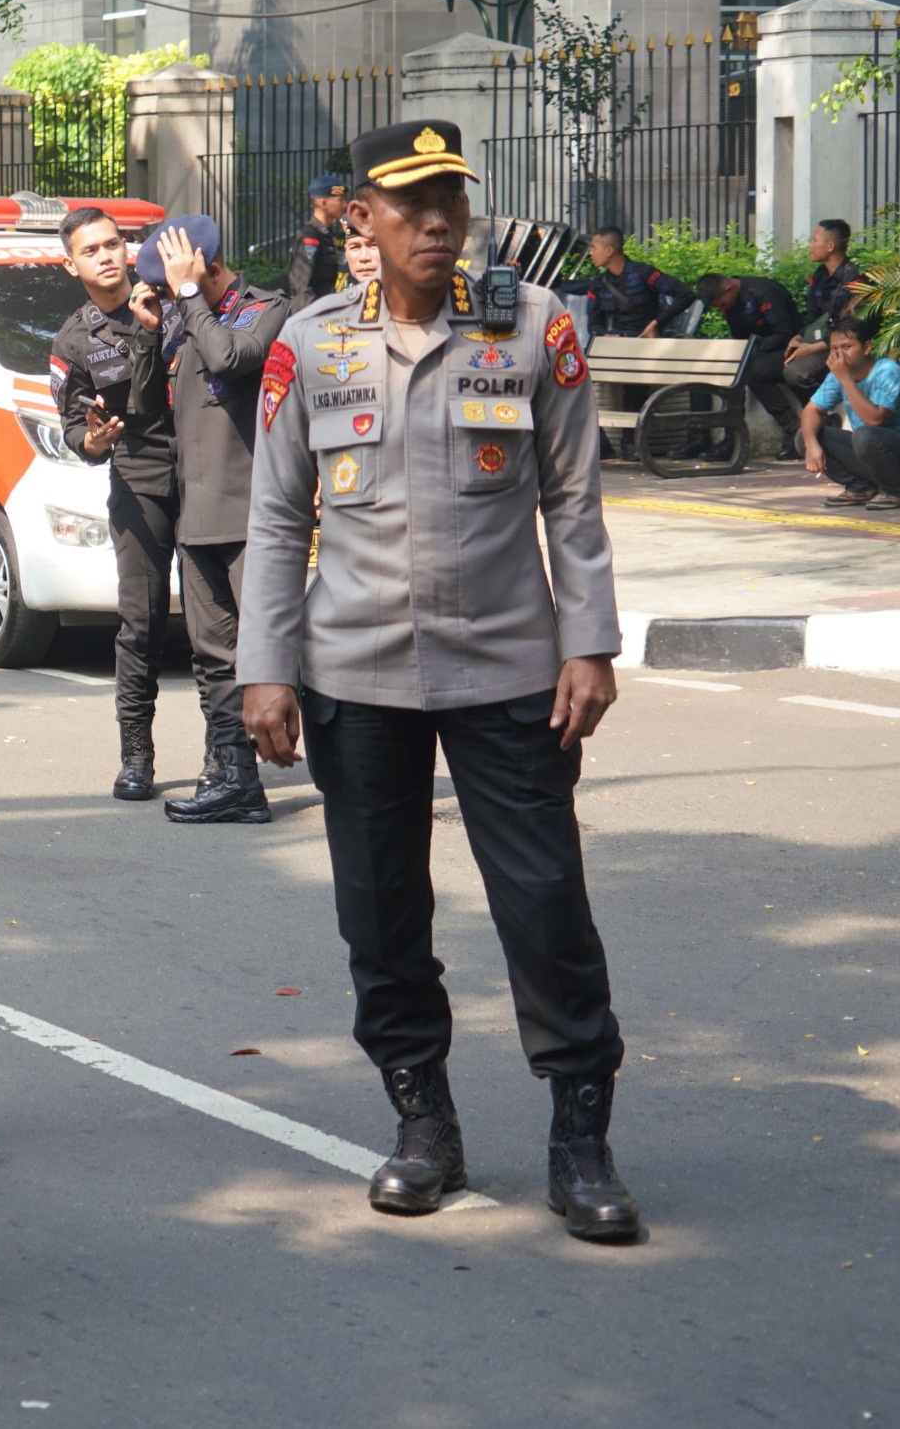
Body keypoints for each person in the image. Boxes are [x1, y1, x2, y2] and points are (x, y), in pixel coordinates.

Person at [239, 118, 639, 1246]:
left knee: (546, 906)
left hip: (509, 668)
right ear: (356, 218)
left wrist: (588, 641)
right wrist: (262, 669)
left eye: (449, 203)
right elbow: (275, 520)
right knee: (380, 913)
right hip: (353, 676)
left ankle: (579, 1138)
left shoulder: (530, 330)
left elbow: (573, 497)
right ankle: (423, 1123)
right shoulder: (309, 345)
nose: (434, 224)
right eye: (409, 205)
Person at [147, 215, 288, 822]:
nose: (170, 290)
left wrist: (185, 298)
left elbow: (233, 359)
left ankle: (336, 763)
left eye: (175, 277)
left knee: (270, 653)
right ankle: (234, 778)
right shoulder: (179, 320)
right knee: (212, 656)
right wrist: (147, 328)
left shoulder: (265, 308)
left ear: (203, 265)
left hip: (251, 512)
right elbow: (150, 408)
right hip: (195, 514)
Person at [49, 206, 174, 798]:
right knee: (141, 622)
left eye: (111, 244)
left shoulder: (172, 301)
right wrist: (92, 441)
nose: (105, 256)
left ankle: (227, 752)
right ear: (70, 264)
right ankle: (136, 754)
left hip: (202, 473)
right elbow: (76, 429)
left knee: (214, 624)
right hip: (138, 479)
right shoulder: (73, 341)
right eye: (90, 250)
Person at [804, 314, 900, 508]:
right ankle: (860, 488)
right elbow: (811, 410)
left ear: (866, 348)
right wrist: (811, 445)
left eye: (847, 347)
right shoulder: (838, 375)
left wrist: (846, 379)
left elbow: (874, 420)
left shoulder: (887, 371)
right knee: (806, 434)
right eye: (834, 349)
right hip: (871, 454)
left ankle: (896, 492)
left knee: (865, 434)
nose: (839, 355)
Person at [693, 272, 805, 459]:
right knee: (725, 371)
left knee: (752, 372)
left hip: (788, 347)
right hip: (759, 351)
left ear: (728, 289)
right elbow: (740, 337)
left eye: (722, 305)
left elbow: (784, 332)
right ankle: (729, 438)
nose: (722, 310)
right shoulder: (731, 301)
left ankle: (792, 428)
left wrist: (753, 351)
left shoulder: (764, 293)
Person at [783, 219, 866, 405]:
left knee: (795, 373)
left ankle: (823, 418)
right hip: (820, 344)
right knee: (768, 367)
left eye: (814, 240)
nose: (810, 245)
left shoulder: (854, 277)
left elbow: (855, 325)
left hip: (844, 346)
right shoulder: (818, 276)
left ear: (830, 246)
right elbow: (813, 318)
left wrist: (814, 347)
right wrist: (798, 337)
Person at [578, 227, 690, 338]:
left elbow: (686, 295)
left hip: (645, 344)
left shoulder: (645, 273)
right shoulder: (598, 284)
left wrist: (655, 324)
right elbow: (593, 324)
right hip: (614, 347)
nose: (590, 253)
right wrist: (606, 335)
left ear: (609, 251)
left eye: (593, 248)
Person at [287, 173, 349, 300]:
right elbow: (302, 287)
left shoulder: (326, 234)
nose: (345, 205)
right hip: (311, 312)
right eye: (340, 200)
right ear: (324, 203)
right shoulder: (310, 237)